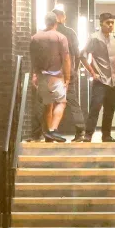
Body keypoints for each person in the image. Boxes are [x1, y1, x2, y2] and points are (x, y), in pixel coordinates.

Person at [29, 11, 71, 143]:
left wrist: (34, 74)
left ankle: (47, 134)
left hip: (41, 75)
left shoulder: (35, 38)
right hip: (56, 75)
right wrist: (67, 76)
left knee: (48, 104)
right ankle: (53, 130)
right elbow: (66, 58)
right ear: (56, 23)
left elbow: (33, 59)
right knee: (61, 102)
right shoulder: (60, 37)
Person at [80, 12, 115, 143]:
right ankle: (88, 134)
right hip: (100, 80)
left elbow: (114, 58)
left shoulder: (113, 38)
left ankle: (106, 135)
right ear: (101, 23)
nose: (110, 25)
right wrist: (92, 73)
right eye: (108, 23)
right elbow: (82, 55)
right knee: (95, 108)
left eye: (112, 23)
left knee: (110, 109)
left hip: (113, 80)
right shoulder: (94, 38)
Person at [54, 8, 87, 142]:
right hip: (69, 72)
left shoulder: (49, 33)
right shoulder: (70, 33)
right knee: (73, 102)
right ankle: (80, 131)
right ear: (63, 18)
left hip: (51, 72)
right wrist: (75, 69)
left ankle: (44, 133)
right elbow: (77, 54)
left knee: (47, 102)